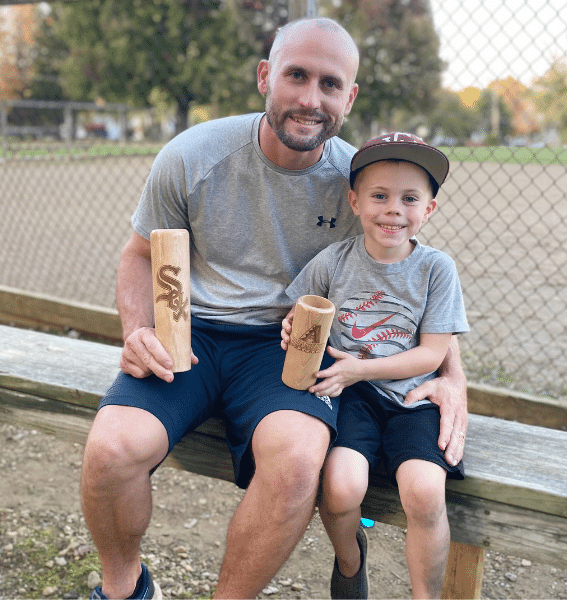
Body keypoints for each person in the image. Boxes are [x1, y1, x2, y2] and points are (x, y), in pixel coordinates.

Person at [80, 17, 469, 600]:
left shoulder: (361, 183)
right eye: (296, 76)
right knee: (112, 448)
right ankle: (125, 590)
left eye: (330, 84)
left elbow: (409, 275)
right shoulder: (193, 155)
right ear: (265, 76)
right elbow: (139, 254)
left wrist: (452, 377)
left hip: (288, 346)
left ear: (350, 96)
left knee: (295, 462)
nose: (311, 99)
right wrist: (139, 329)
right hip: (193, 332)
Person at [281, 132, 469, 599]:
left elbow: (431, 355)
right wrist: (294, 328)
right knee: (342, 489)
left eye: (410, 198)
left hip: (413, 397)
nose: (393, 209)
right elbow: (300, 313)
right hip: (354, 400)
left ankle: (425, 594)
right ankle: (350, 561)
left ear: (428, 209)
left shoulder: (435, 269)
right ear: (355, 202)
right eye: (379, 195)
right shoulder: (332, 262)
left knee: (424, 492)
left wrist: (358, 369)